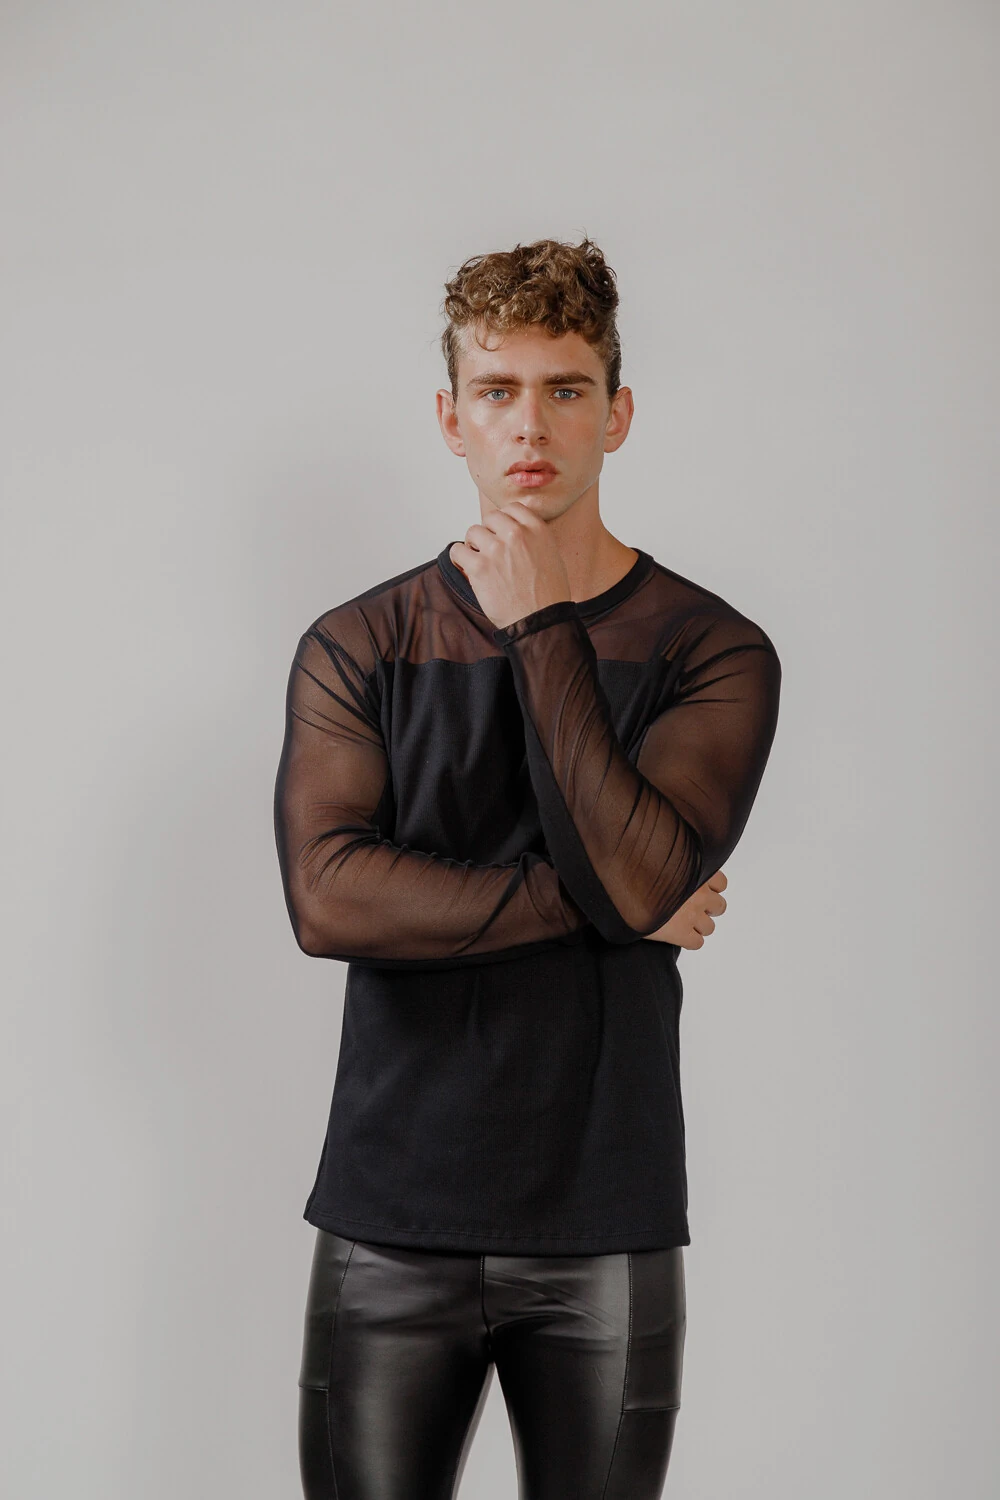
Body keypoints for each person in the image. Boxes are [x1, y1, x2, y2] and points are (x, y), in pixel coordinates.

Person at [273, 236, 782, 1499]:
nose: (531, 424)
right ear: (452, 419)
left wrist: (542, 623)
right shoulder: (361, 642)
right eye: (497, 391)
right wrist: (614, 905)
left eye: (565, 389)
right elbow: (329, 900)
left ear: (617, 413)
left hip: (602, 1218)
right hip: (388, 1218)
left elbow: (642, 876)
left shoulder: (712, 649)